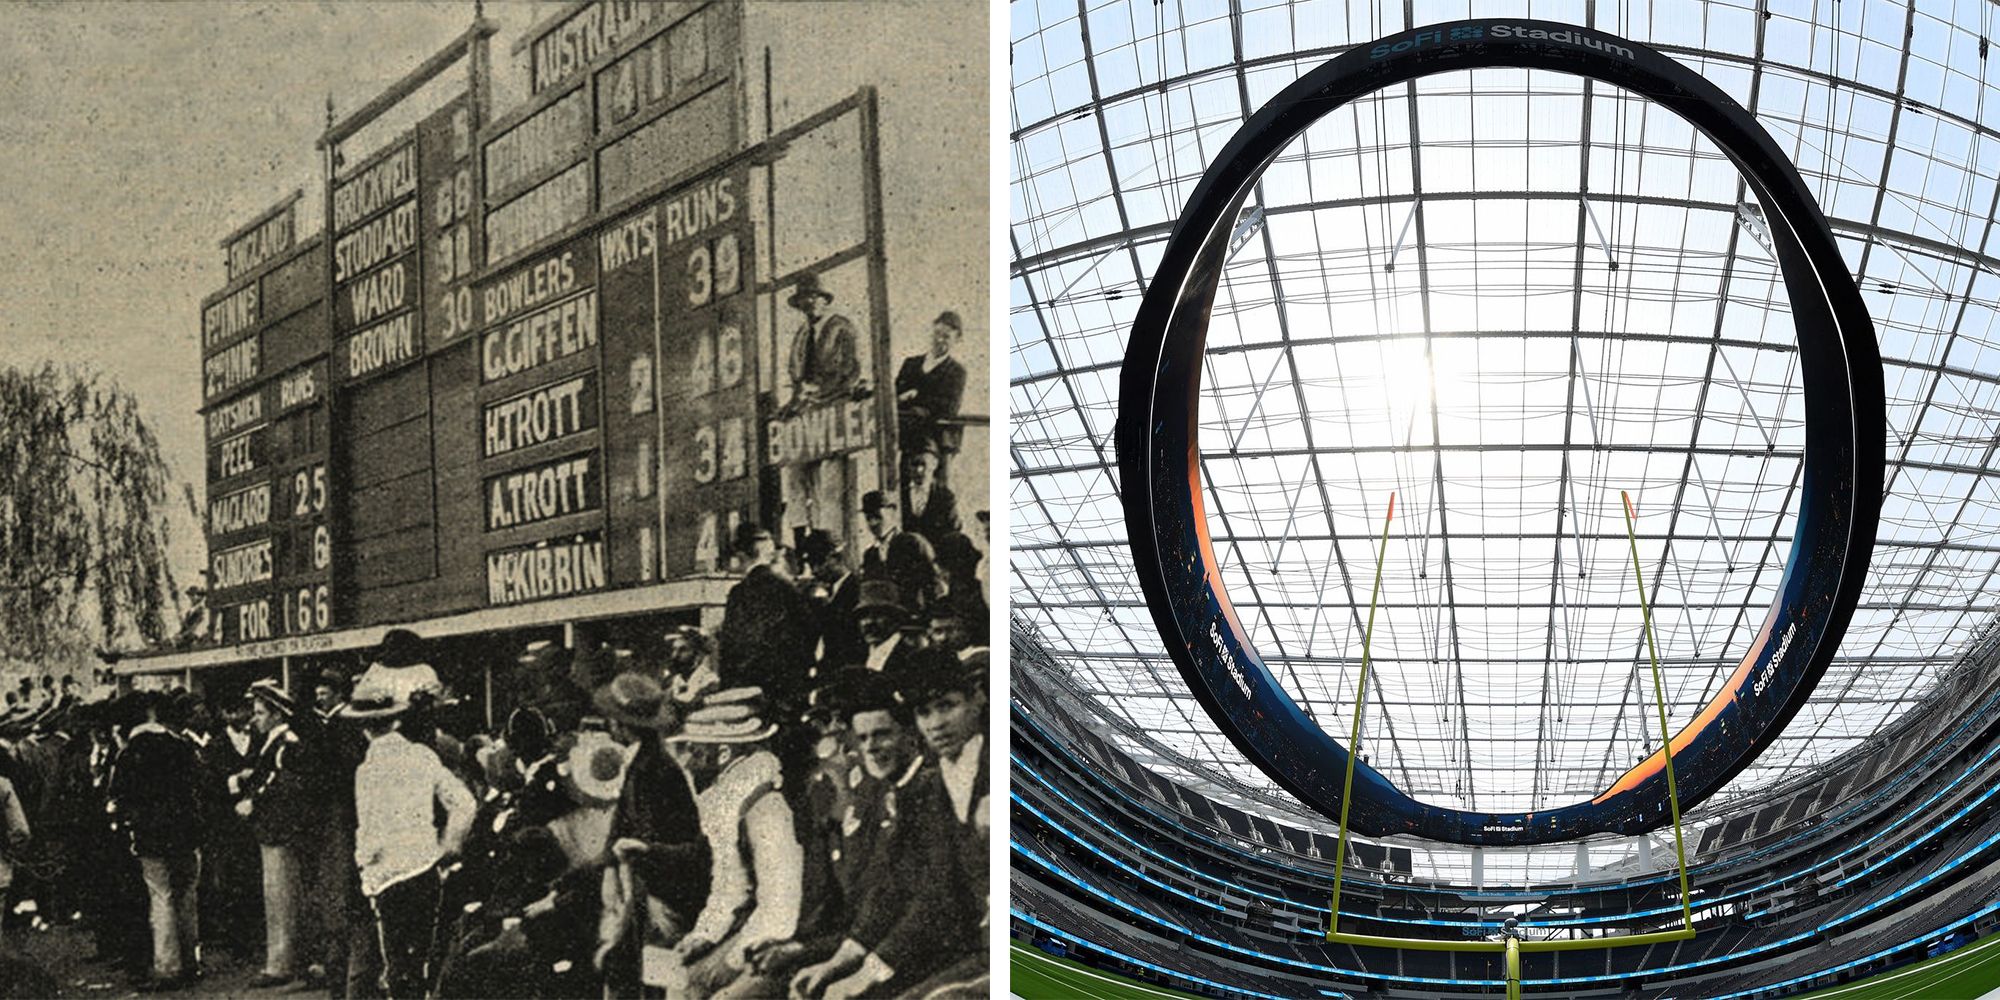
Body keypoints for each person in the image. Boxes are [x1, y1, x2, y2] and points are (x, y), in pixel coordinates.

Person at [662, 690, 801, 998]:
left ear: (724, 754)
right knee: (669, 972)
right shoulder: (728, 802)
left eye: (694, 751)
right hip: (748, 928)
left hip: (776, 941)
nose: (686, 760)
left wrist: (732, 957)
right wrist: (704, 935)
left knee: (692, 985)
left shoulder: (766, 806)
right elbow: (730, 885)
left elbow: (780, 905)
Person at [343, 679, 476, 999]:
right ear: (396, 720)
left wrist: (366, 871)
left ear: (363, 728)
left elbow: (370, 830)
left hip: (387, 877)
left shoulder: (367, 770)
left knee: (393, 965)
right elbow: (465, 803)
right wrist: (449, 845)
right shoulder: (422, 756)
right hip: (425, 868)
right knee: (420, 962)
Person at [594, 672, 710, 993]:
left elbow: (646, 831)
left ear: (622, 725)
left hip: (663, 891)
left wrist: (624, 863)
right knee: (634, 968)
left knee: (657, 973)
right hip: (651, 883)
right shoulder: (646, 762)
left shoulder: (653, 770)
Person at [109, 691, 206, 991]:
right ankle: (191, 961)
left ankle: (167, 965)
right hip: (186, 833)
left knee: (160, 895)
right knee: (187, 895)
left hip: (150, 836)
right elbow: (198, 784)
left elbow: (118, 796)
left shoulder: (129, 752)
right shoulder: (181, 746)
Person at [231, 680, 317, 988]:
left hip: (280, 832)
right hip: (273, 832)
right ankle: (285, 959)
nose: (255, 719)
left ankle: (281, 964)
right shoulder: (275, 743)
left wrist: (255, 798)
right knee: (279, 898)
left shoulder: (287, 744)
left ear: (277, 715)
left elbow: (286, 785)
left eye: (260, 712)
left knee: (281, 899)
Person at [717, 523, 816, 710]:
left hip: (746, 695)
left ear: (740, 555)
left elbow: (729, 650)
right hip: (787, 694)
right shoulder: (788, 589)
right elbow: (809, 635)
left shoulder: (739, 594)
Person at [894, 310, 968, 455]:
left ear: (957, 340)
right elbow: (895, 393)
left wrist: (914, 397)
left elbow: (949, 406)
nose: (939, 340)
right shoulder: (911, 364)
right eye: (937, 333)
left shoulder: (957, 372)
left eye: (946, 337)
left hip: (933, 438)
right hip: (903, 435)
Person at [784, 274, 861, 406]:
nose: (808, 301)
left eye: (813, 296)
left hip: (837, 399)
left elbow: (850, 371)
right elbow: (796, 374)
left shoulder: (841, 327)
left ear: (825, 300)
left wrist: (821, 392)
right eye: (803, 298)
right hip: (807, 404)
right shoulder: (801, 336)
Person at [800, 529, 866, 671]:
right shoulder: (831, 591)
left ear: (837, 558)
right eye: (811, 564)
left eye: (818, 562)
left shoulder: (856, 590)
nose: (814, 570)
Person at [899, 439, 960, 543]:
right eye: (914, 464)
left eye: (923, 464)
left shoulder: (946, 497)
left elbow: (953, 534)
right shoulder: (899, 496)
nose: (919, 470)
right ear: (908, 465)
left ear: (934, 464)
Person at [858, 491, 902, 581]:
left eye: (877, 516)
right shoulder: (870, 555)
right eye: (868, 518)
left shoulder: (911, 544)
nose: (873, 523)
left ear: (892, 512)